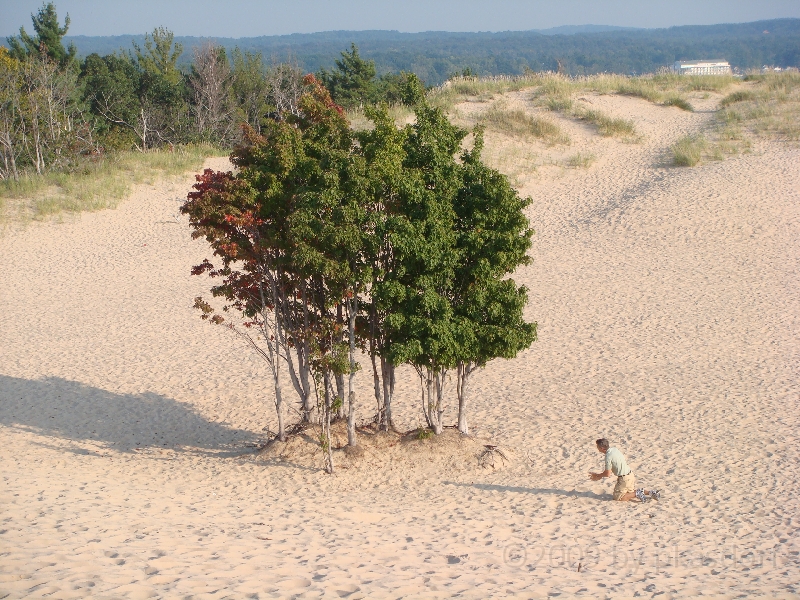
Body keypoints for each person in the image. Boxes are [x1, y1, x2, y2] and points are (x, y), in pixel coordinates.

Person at [589, 438, 660, 503]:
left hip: (624, 479)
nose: (597, 448)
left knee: (618, 497)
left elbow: (607, 474)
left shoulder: (608, 456)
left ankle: (637, 494)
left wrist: (598, 475)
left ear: (601, 448)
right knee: (629, 493)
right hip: (630, 475)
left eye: (597, 446)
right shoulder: (614, 449)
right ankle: (651, 492)